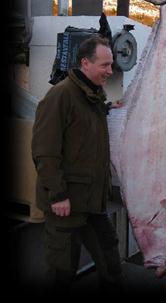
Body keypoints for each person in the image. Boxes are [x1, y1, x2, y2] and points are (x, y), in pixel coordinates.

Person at [32, 35, 124, 293]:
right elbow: (44, 151)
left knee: (110, 261)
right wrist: (58, 195)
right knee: (62, 271)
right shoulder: (60, 96)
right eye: (105, 65)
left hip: (92, 201)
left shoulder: (93, 96)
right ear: (85, 63)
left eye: (111, 65)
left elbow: (82, 129)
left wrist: (108, 109)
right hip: (66, 203)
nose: (110, 71)